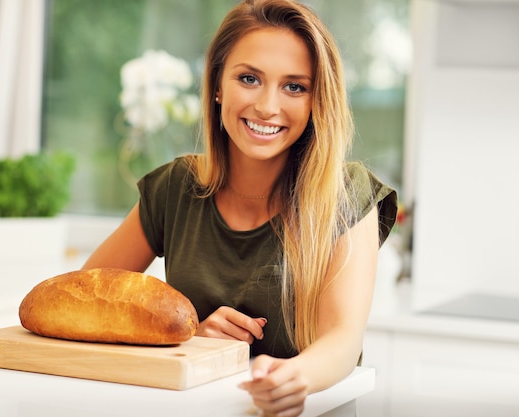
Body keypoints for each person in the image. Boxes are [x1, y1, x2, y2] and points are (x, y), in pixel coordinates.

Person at [83, 0, 398, 415]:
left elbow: (343, 340)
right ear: (217, 85)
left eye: (294, 86)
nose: (268, 106)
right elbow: (87, 301)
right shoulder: (175, 188)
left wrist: (292, 379)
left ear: (316, 101)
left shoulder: (346, 194)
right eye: (249, 78)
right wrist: (189, 335)